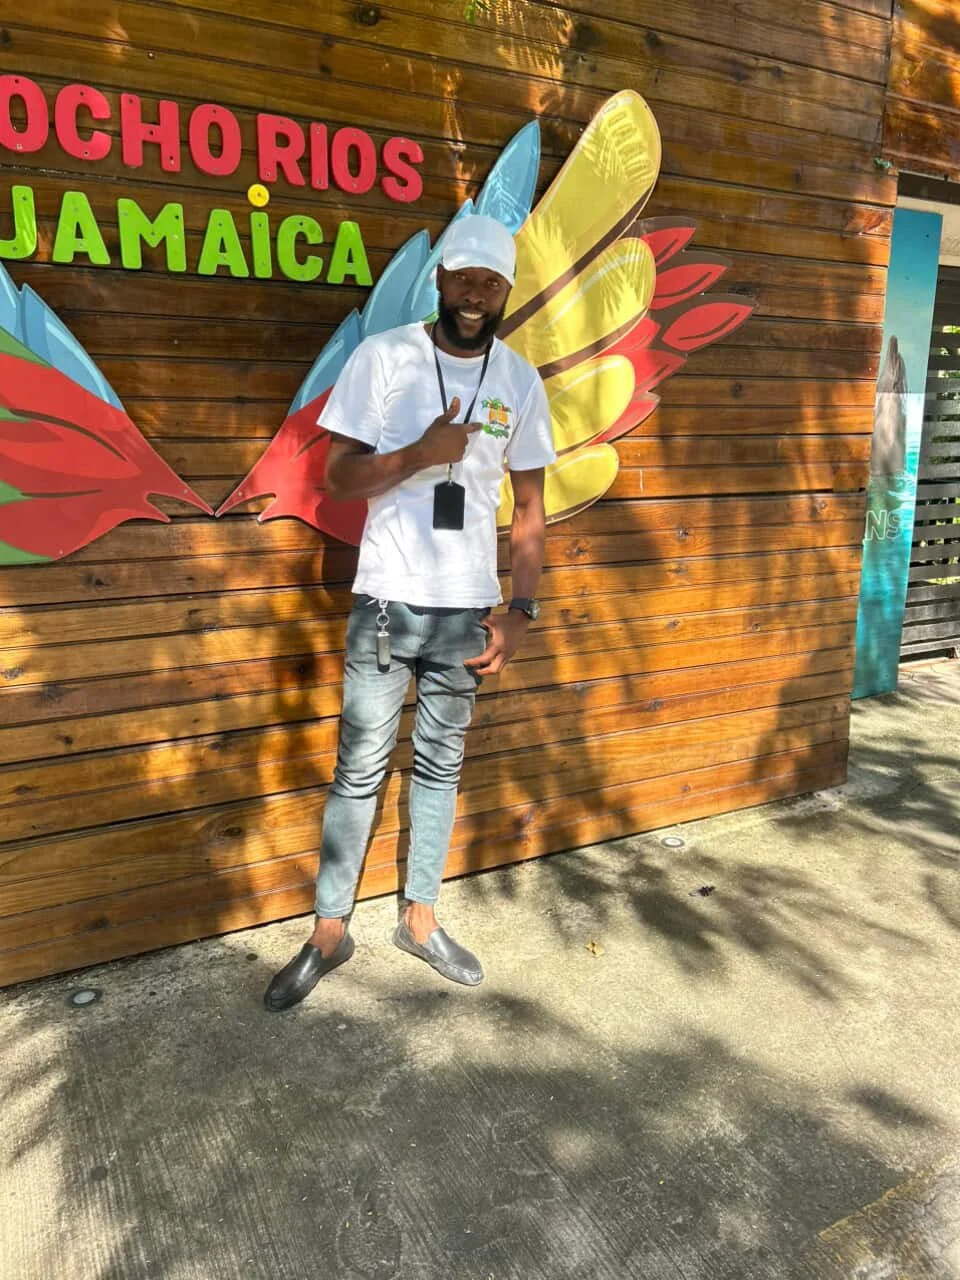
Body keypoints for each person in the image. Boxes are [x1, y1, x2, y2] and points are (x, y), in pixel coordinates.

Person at [264, 214, 556, 1011]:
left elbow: (529, 510)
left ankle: (420, 920)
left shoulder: (519, 381)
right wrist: (420, 456)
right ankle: (330, 930)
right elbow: (336, 480)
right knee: (358, 769)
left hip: (468, 611)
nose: (474, 293)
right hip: (387, 604)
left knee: (439, 766)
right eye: (462, 276)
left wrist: (521, 610)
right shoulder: (384, 357)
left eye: (489, 281)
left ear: (506, 289)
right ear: (439, 278)